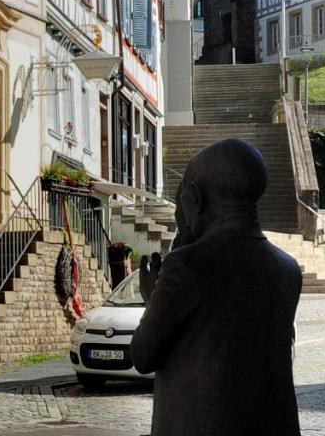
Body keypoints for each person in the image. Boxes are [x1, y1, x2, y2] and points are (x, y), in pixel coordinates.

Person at [132, 138, 302, 436]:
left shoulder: (187, 266)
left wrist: (152, 299)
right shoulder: (286, 268)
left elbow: (143, 356)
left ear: (195, 197)